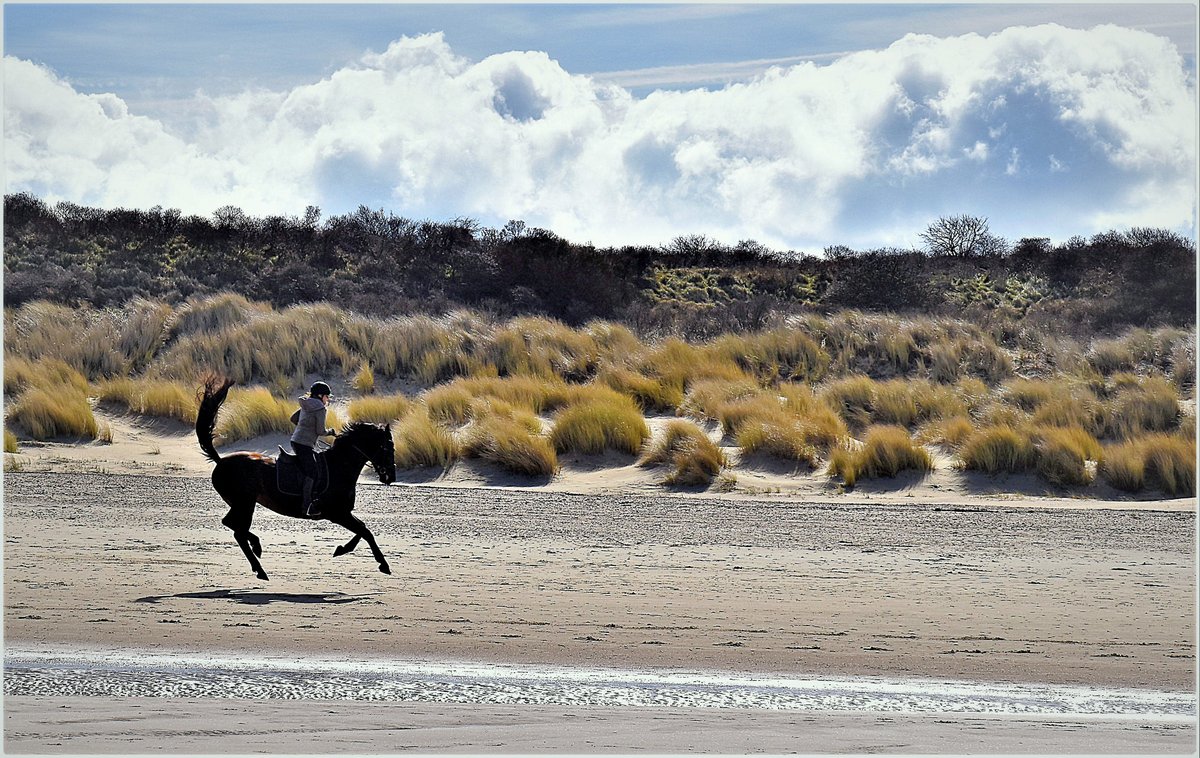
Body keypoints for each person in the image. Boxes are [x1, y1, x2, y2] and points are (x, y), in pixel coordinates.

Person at [290, 381, 336, 517]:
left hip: (296, 440)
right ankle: (307, 506)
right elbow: (320, 430)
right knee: (313, 472)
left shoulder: (306, 404)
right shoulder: (320, 409)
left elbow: (293, 419)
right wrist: (331, 432)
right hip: (304, 444)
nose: (327, 399)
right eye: (327, 396)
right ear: (321, 395)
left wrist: (304, 427)